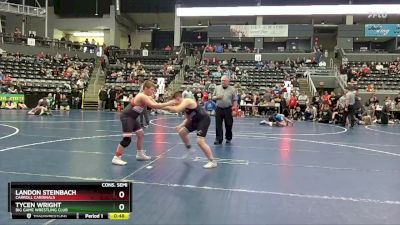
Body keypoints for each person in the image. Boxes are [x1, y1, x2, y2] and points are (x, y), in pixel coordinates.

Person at [111, 80, 177, 166]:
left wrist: (173, 108)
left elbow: (158, 104)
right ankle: (116, 158)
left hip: (133, 118)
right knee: (127, 139)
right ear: (145, 88)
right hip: (127, 117)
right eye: (152, 90)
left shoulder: (147, 97)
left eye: (154, 90)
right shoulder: (142, 96)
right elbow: (154, 106)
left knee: (141, 134)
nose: (153, 92)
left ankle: (140, 154)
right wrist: (169, 103)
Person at [164, 91, 217, 169]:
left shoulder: (187, 101)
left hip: (203, 120)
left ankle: (212, 161)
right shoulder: (184, 107)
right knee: (182, 132)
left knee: (200, 141)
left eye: (174, 102)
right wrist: (180, 126)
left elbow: (176, 110)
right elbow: (188, 119)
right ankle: (190, 149)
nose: (174, 104)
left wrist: (160, 106)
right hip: (195, 121)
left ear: (178, 99)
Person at [213, 75, 237, 145]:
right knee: (218, 125)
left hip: (228, 109)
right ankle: (218, 139)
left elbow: (235, 100)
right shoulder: (217, 88)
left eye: (224, 81)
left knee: (229, 124)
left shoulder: (232, 89)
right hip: (219, 108)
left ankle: (228, 138)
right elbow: (212, 97)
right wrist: (217, 97)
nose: (222, 82)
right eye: (221, 81)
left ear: (228, 82)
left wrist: (234, 110)